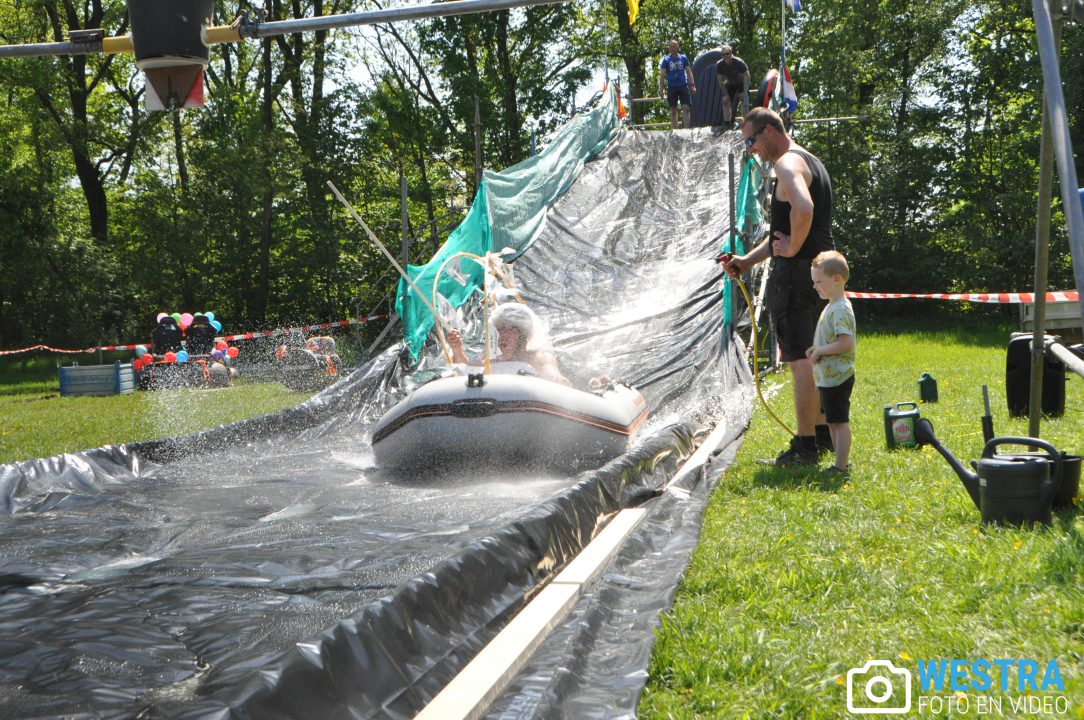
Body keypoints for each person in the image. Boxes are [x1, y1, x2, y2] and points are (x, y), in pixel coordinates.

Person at [723, 107, 835, 466]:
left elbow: (803, 207)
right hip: (817, 274)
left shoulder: (786, 164)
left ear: (770, 130)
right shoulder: (811, 159)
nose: (751, 148)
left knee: (800, 360)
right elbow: (778, 238)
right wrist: (745, 262)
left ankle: (804, 448)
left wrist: (794, 248)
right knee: (814, 355)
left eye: (751, 140)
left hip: (797, 277)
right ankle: (820, 437)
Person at [806, 251, 856, 478]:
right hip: (828, 377)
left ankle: (841, 465)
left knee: (839, 422)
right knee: (833, 422)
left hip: (838, 377)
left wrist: (822, 352)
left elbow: (845, 343)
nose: (815, 286)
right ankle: (840, 461)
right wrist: (815, 349)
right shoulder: (831, 306)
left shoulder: (840, 309)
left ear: (836, 279)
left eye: (819, 281)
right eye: (814, 282)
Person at [447, 303, 570, 385]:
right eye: (500, 329)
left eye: (512, 330)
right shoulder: (489, 358)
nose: (504, 334)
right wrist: (457, 349)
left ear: (523, 336)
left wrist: (557, 379)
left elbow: (551, 374)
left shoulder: (537, 357)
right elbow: (464, 371)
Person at [658, 37, 696, 129]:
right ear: (669, 48)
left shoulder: (683, 58)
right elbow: (662, 75)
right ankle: (675, 131)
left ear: (678, 47)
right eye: (671, 47)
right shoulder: (666, 60)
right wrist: (661, 89)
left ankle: (686, 130)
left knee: (686, 108)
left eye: (674, 46)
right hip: (672, 87)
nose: (673, 48)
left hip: (683, 86)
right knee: (673, 110)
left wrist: (692, 85)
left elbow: (689, 72)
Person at [715, 44, 749, 128]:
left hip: (742, 83)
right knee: (725, 100)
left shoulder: (738, 62)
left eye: (727, 54)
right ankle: (727, 123)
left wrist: (744, 91)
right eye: (724, 54)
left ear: (731, 53)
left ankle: (746, 123)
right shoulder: (719, 64)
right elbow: (720, 81)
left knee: (744, 100)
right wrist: (726, 94)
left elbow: (747, 76)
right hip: (730, 83)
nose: (726, 56)